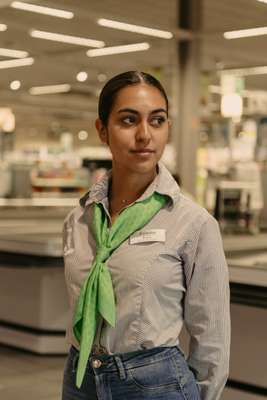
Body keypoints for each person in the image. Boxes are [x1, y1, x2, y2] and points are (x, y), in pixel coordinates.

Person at [62, 71, 230, 400]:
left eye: (157, 121)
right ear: (102, 130)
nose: (144, 135)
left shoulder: (193, 224)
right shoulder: (79, 220)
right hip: (80, 377)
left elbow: (212, 337)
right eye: (128, 120)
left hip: (156, 385)